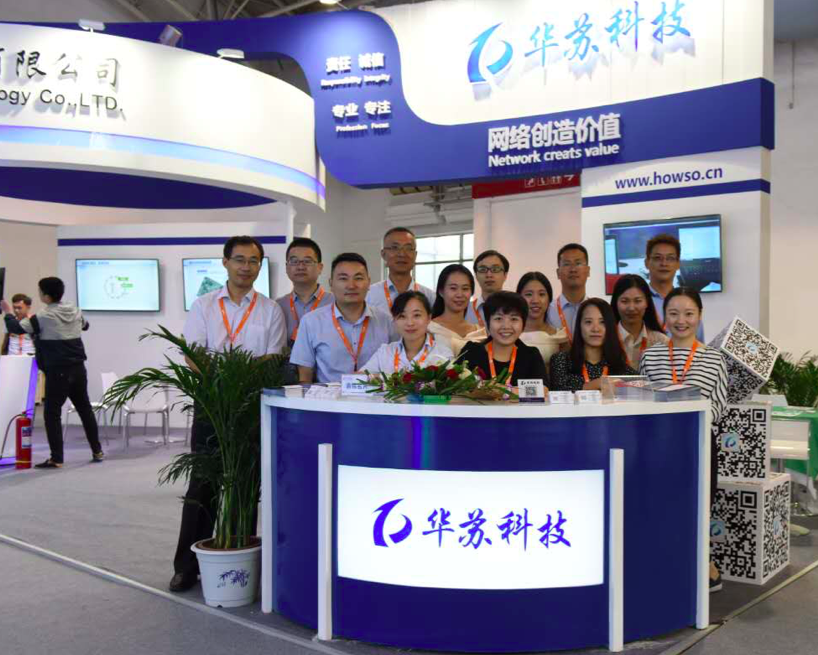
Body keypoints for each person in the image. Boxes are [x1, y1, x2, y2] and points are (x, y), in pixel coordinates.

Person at [171, 235, 287, 593]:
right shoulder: (204, 305)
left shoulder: (270, 310)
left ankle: (239, 560)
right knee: (202, 482)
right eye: (240, 259)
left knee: (244, 483)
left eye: (254, 261)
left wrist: (238, 379)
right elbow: (193, 353)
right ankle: (186, 567)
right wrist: (224, 380)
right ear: (225, 262)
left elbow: (273, 357)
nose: (246, 267)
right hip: (212, 405)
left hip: (249, 406)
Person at [639, 287, 727, 593]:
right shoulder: (651, 355)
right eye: (674, 313)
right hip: (658, 447)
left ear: (699, 315)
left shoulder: (714, 358)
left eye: (689, 313)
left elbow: (719, 405)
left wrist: (687, 417)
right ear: (664, 316)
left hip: (697, 447)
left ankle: (702, 564)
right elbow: (641, 397)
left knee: (697, 508)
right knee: (660, 507)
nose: (681, 320)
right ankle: (666, 566)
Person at [2, 278, 103, 468]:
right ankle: (97, 450)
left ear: (46, 296)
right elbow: (85, 325)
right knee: (85, 409)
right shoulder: (74, 310)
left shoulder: (42, 316)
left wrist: (7, 312)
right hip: (78, 368)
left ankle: (57, 458)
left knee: (51, 413)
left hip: (58, 371)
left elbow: (15, 328)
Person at [291, 253, 395, 383]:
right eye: (343, 278)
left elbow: (397, 364)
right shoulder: (311, 322)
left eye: (358, 278)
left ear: (368, 283)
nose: (351, 285)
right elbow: (304, 377)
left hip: (376, 395)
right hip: (328, 395)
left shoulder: (386, 321)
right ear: (331, 283)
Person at [460, 291, 547, 387]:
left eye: (514, 319)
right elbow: (453, 388)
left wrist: (504, 390)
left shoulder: (531, 356)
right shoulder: (471, 352)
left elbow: (542, 390)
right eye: (498, 318)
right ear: (488, 322)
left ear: (523, 324)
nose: (506, 326)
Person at [549, 298, 636, 392]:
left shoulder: (619, 366)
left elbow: (641, 387)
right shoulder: (561, 360)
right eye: (588, 322)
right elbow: (559, 391)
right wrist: (595, 385)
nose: (595, 329)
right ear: (579, 326)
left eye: (602, 322)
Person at [361, 291, 453, 374]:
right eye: (402, 316)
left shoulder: (443, 353)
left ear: (429, 318)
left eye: (416, 315)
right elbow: (359, 378)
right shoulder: (385, 352)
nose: (410, 323)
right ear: (394, 320)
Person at [644, 234, 705, 341]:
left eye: (670, 258)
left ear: (678, 264)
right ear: (647, 263)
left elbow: (699, 343)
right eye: (657, 258)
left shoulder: (689, 303)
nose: (664, 263)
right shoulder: (639, 302)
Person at [275, 237, 334, 347]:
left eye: (307, 261)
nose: (300, 267)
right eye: (294, 261)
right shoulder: (278, 306)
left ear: (320, 267)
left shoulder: (335, 303)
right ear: (287, 267)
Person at [366, 227, 435, 312]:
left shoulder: (430, 297)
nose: (402, 254)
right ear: (383, 254)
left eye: (408, 248)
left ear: (415, 255)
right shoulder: (369, 296)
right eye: (395, 248)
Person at [610, 274, 669, 369]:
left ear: (647, 302)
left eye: (637, 301)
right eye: (625, 301)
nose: (631, 308)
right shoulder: (605, 339)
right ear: (616, 303)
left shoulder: (661, 342)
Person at [428, 264, 481, 355]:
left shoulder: (479, 332)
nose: (459, 294)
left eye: (465, 288)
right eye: (453, 288)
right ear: (441, 291)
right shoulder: (429, 329)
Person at [516, 272, 568, 365]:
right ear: (519, 298)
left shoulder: (560, 336)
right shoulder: (510, 333)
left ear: (549, 299)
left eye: (541, 294)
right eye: (529, 294)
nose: (535, 300)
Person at [547, 243, 590, 343]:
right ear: (558, 273)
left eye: (578, 263)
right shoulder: (547, 311)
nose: (573, 269)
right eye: (566, 264)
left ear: (588, 271)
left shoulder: (597, 311)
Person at [465, 249, 509, 329]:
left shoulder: (515, 309)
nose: (489, 275)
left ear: (505, 275)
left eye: (495, 269)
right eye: (483, 270)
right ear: (476, 276)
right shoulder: (465, 309)